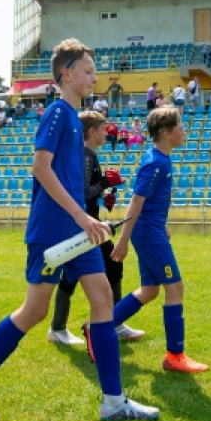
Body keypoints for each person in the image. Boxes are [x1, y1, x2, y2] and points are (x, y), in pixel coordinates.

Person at [0, 39, 159, 421]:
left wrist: (85, 218)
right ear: (67, 73)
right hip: (51, 232)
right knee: (34, 312)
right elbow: (41, 169)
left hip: (75, 232)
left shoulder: (71, 118)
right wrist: (83, 218)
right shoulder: (57, 112)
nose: (95, 78)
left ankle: (113, 401)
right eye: (88, 71)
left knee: (101, 300)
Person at [100, 106, 209, 374]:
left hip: (152, 229)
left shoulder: (162, 158)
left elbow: (151, 202)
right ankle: (175, 355)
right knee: (175, 287)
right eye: (181, 127)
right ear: (166, 133)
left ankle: (99, 327)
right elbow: (137, 201)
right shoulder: (155, 163)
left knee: (150, 290)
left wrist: (163, 224)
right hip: (147, 232)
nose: (184, 131)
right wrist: (123, 240)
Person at [47, 111, 144, 345]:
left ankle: (58, 328)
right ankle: (114, 323)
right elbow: (80, 193)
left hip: (85, 224)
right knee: (112, 266)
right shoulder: (86, 155)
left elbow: (88, 193)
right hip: (85, 228)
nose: (106, 133)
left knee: (73, 275)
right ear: (91, 131)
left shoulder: (85, 154)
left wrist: (103, 197)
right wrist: (103, 184)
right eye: (102, 129)